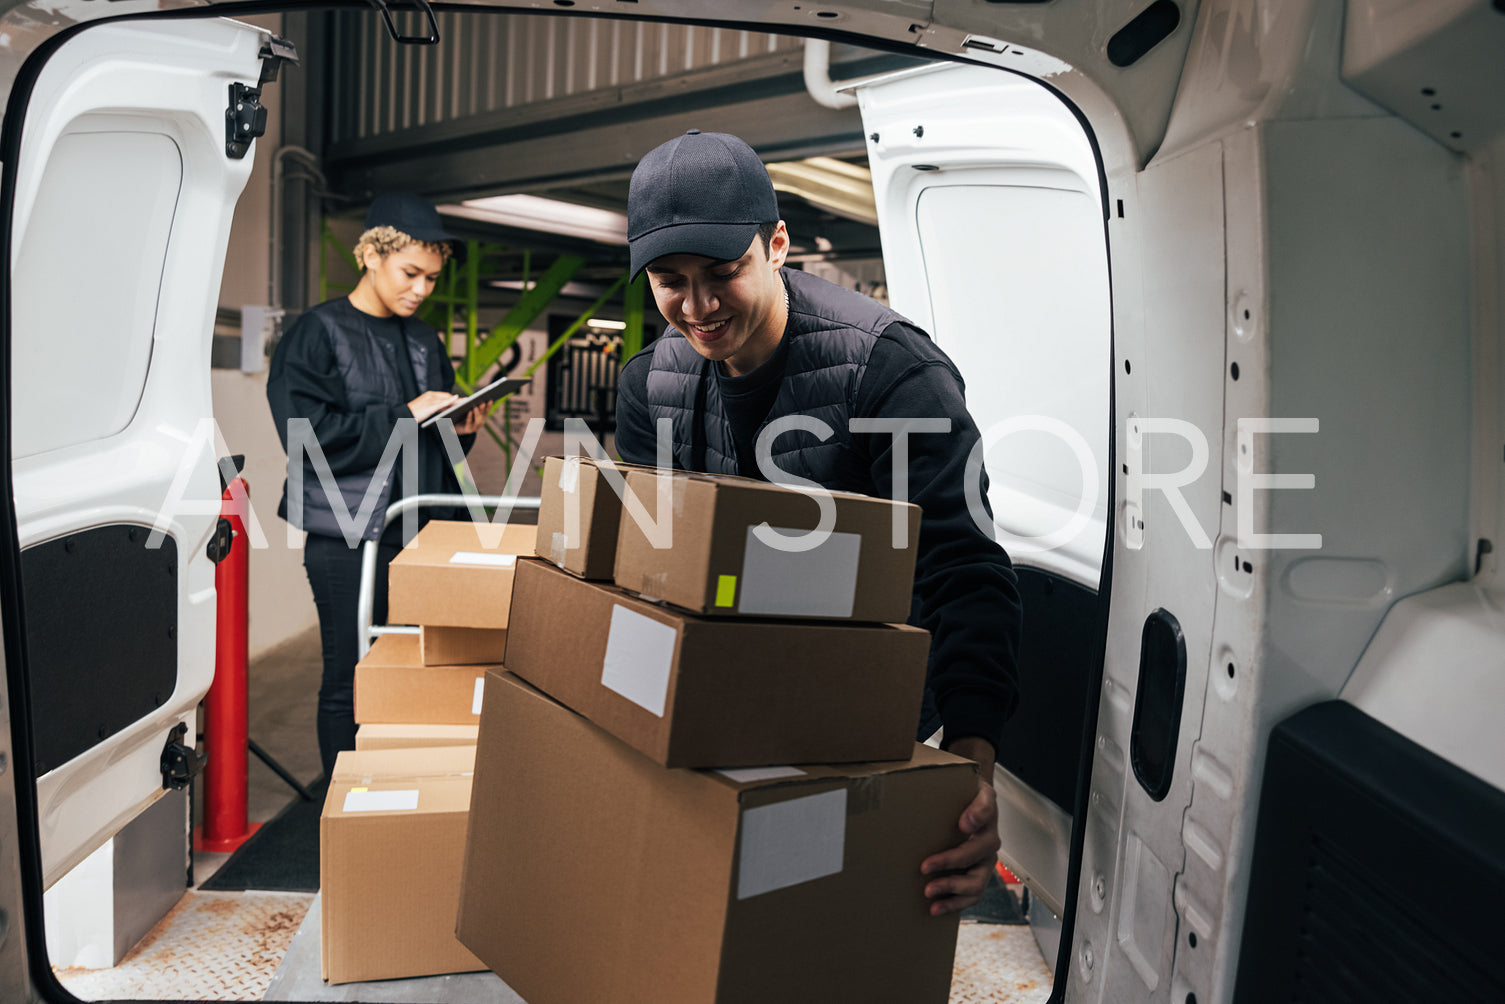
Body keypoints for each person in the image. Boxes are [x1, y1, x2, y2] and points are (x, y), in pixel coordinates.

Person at [614, 130, 1024, 916]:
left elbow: (962, 567)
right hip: (721, 704)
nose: (696, 308)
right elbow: (649, 566)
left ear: (775, 244)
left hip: (862, 716)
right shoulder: (651, 382)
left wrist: (972, 763)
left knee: (821, 923)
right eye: (670, 282)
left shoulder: (890, 372)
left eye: (722, 273)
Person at [267, 193, 487, 778]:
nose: (422, 290)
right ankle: (346, 803)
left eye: (432, 279)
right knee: (350, 672)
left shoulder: (424, 341)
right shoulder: (316, 332)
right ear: (371, 256)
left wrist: (459, 428)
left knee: (412, 665)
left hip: (416, 530)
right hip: (345, 532)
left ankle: (397, 787)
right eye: (410, 273)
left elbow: (427, 441)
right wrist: (405, 413)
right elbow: (305, 438)